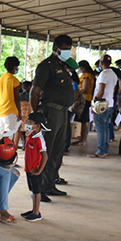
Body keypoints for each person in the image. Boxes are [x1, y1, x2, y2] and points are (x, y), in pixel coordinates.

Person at [30, 34, 74, 203]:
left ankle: (49, 184)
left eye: (69, 49)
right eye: (64, 49)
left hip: (62, 113)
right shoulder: (46, 66)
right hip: (50, 112)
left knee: (57, 149)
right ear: (55, 49)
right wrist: (37, 117)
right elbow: (35, 91)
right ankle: (38, 188)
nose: (67, 52)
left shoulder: (62, 66)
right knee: (45, 151)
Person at [88, 56, 118, 159]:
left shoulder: (103, 74)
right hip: (109, 103)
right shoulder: (114, 74)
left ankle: (101, 150)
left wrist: (95, 103)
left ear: (101, 62)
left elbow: (101, 91)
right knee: (105, 128)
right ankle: (105, 149)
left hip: (101, 105)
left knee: (101, 129)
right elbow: (113, 90)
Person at [21, 113, 49, 222]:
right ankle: (33, 210)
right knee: (32, 190)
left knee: (37, 191)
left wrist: (39, 171)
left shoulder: (39, 139)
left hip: (35, 170)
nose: (27, 124)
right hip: (29, 169)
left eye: (30, 122)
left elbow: (45, 156)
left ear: (37, 126)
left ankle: (37, 213)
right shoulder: (30, 135)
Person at [0, 57, 22, 134]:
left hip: (0, 111)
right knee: (8, 137)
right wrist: (19, 112)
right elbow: (17, 97)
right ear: (14, 67)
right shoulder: (14, 80)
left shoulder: (1, 78)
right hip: (10, 111)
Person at [72, 60, 95, 147]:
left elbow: (85, 89)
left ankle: (82, 139)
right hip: (85, 99)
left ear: (83, 68)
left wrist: (77, 92)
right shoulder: (87, 76)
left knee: (84, 119)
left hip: (84, 99)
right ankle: (82, 138)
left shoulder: (87, 77)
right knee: (82, 118)